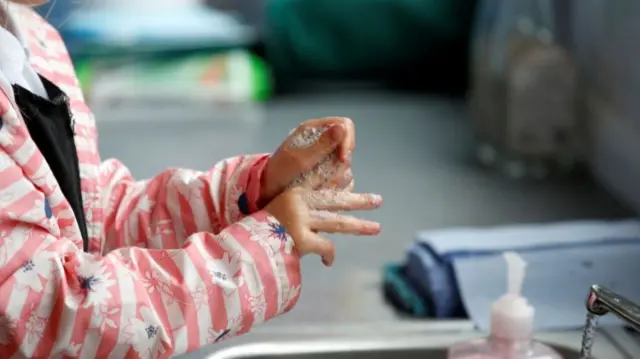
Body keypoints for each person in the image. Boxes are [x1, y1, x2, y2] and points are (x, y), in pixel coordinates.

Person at [0, 1, 383, 358]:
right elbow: (47, 313)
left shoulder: (32, 38)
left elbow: (92, 221)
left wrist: (250, 191)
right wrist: (255, 253)